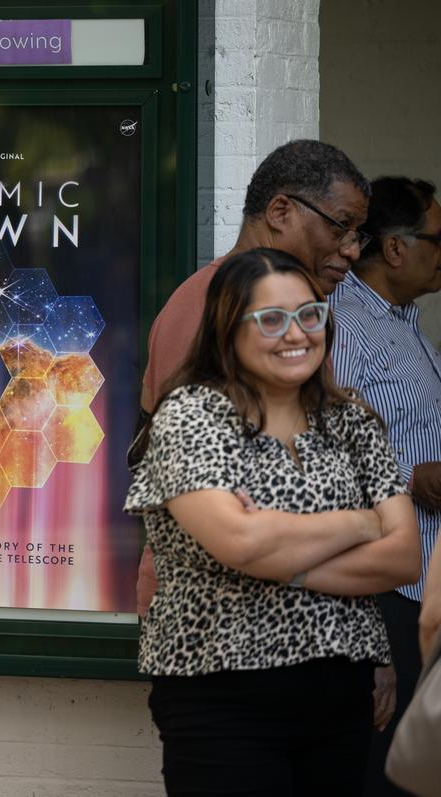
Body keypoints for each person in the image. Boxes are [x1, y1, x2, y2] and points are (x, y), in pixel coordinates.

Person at [126, 247, 420, 795]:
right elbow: (239, 540)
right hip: (221, 693)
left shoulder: (351, 420)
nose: (297, 334)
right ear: (227, 328)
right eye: (271, 319)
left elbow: (404, 557)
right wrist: (361, 524)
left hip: (340, 693)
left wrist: (280, 557)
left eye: (310, 315)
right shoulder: (192, 417)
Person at [136, 140, 372, 615]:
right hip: (220, 619)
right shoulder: (210, 303)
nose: (350, 250)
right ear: (281, 211)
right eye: (341, 226)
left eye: (358, 234)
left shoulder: (288, 308)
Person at [329, 176, 441, 796]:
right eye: (437, 239)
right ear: (395, 248)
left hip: (422, 583)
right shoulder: (344, 325)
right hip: (384, 591)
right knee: (380, 774)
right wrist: (411, 480)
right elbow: (325, 448)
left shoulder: (407, 324)